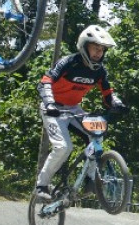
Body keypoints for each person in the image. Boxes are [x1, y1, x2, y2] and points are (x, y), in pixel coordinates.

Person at [34, 25, 127, 201]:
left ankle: (91, 180)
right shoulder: (68, 63)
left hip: (74, 109)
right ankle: (41, 185)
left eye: (102, 50)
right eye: (95, 48)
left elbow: (108, 94)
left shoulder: (99, 71)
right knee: (63, 147)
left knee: (97, 136)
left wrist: (117, 104)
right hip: (53, 108)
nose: (99, 53)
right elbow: (44, 82)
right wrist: (50, 103)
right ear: (84, 46)